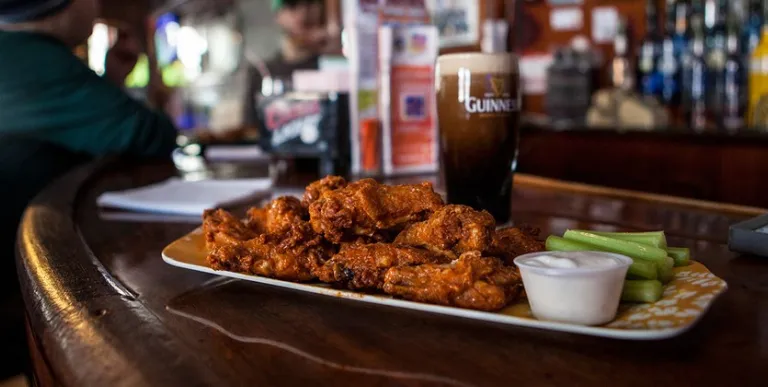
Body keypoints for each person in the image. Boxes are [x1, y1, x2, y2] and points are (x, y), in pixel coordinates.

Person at [0, 0, 177, 379]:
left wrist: (111, 81)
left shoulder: (18, 53)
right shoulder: (39, 62)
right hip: (12, 286)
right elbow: (151, 135)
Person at [243, 0, 329, 126]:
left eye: (310, 3)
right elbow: (250, 132)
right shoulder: (261, 73)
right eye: (292, 5)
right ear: (278, 14)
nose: (302, 13)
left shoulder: (332, 67)